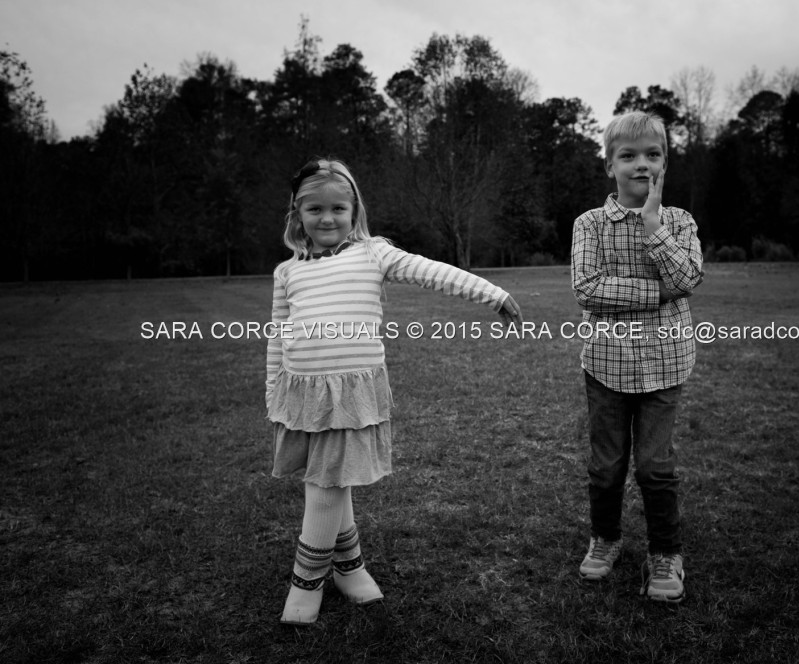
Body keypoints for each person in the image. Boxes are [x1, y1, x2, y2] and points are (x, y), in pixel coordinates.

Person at [266, 157, 522, 626]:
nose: (327, 218)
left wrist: (494, 293)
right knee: (327, 483)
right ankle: (349, 567)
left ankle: (306, 582)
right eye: (315, 209)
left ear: (354, 210)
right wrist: (273, 394)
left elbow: (433, 271)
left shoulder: (373, 254)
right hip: (302, 395)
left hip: (354, 395)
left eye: (338, 208)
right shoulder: (288, 273)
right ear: (297, 215)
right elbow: (277, 336)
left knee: (325, 485)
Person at [570, 111, 704, 603]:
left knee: (654, 468)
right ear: (610, 166)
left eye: (652, 155)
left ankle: (666, 553)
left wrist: (652, 224)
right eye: (628, 156)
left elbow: (687, 280)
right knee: (606, 467)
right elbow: (587, 289)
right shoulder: (589, 225)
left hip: (665, 365)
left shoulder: (679, 222)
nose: (640, 165)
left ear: (664, 163)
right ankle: (605, 539)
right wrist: (657, 294)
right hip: (606, 364)